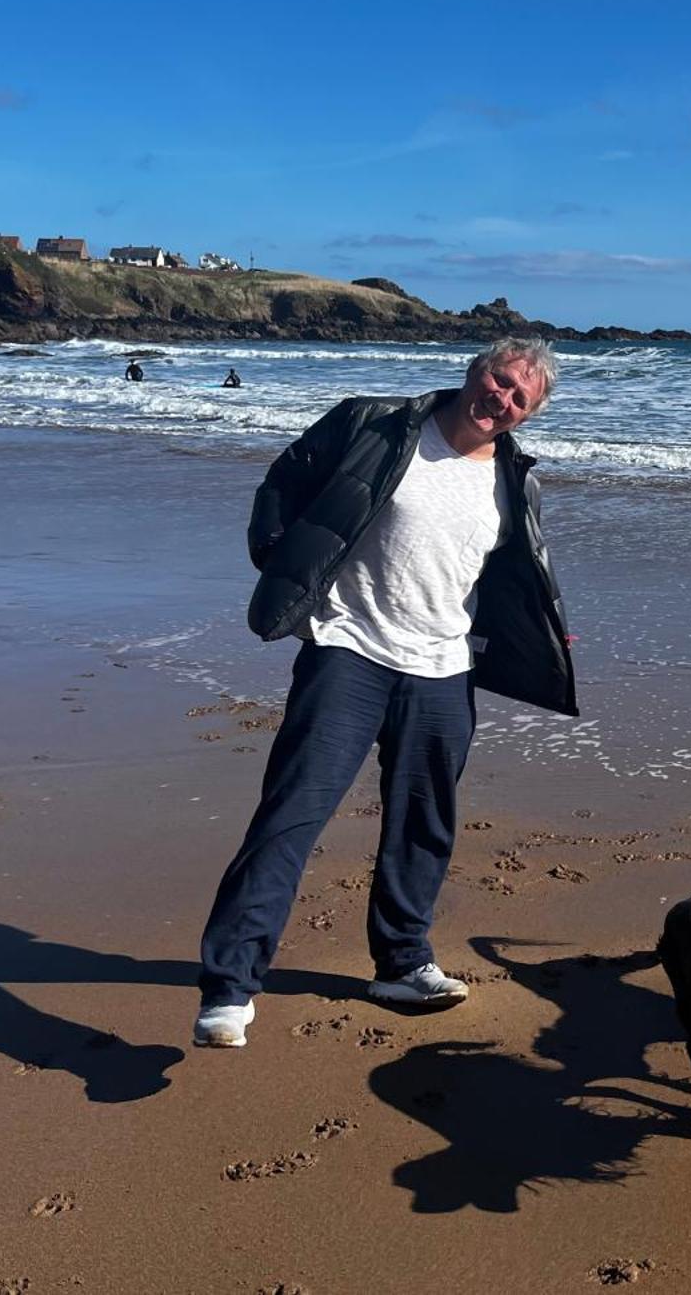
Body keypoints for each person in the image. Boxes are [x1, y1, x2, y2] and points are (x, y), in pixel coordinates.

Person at [193, 337, 577, 1048]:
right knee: (291, 816)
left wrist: (543, 634)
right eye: (499, 379)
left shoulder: (515, 479)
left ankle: (402, 963)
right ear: (474, 372)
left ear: (530, 415)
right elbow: (283, 484)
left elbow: (508, 574)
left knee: (424, 826)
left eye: (521, 397)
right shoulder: (375, 423)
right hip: (350, 650)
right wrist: (283, 564)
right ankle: (230, 987)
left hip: (443, 668)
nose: (503, 399)